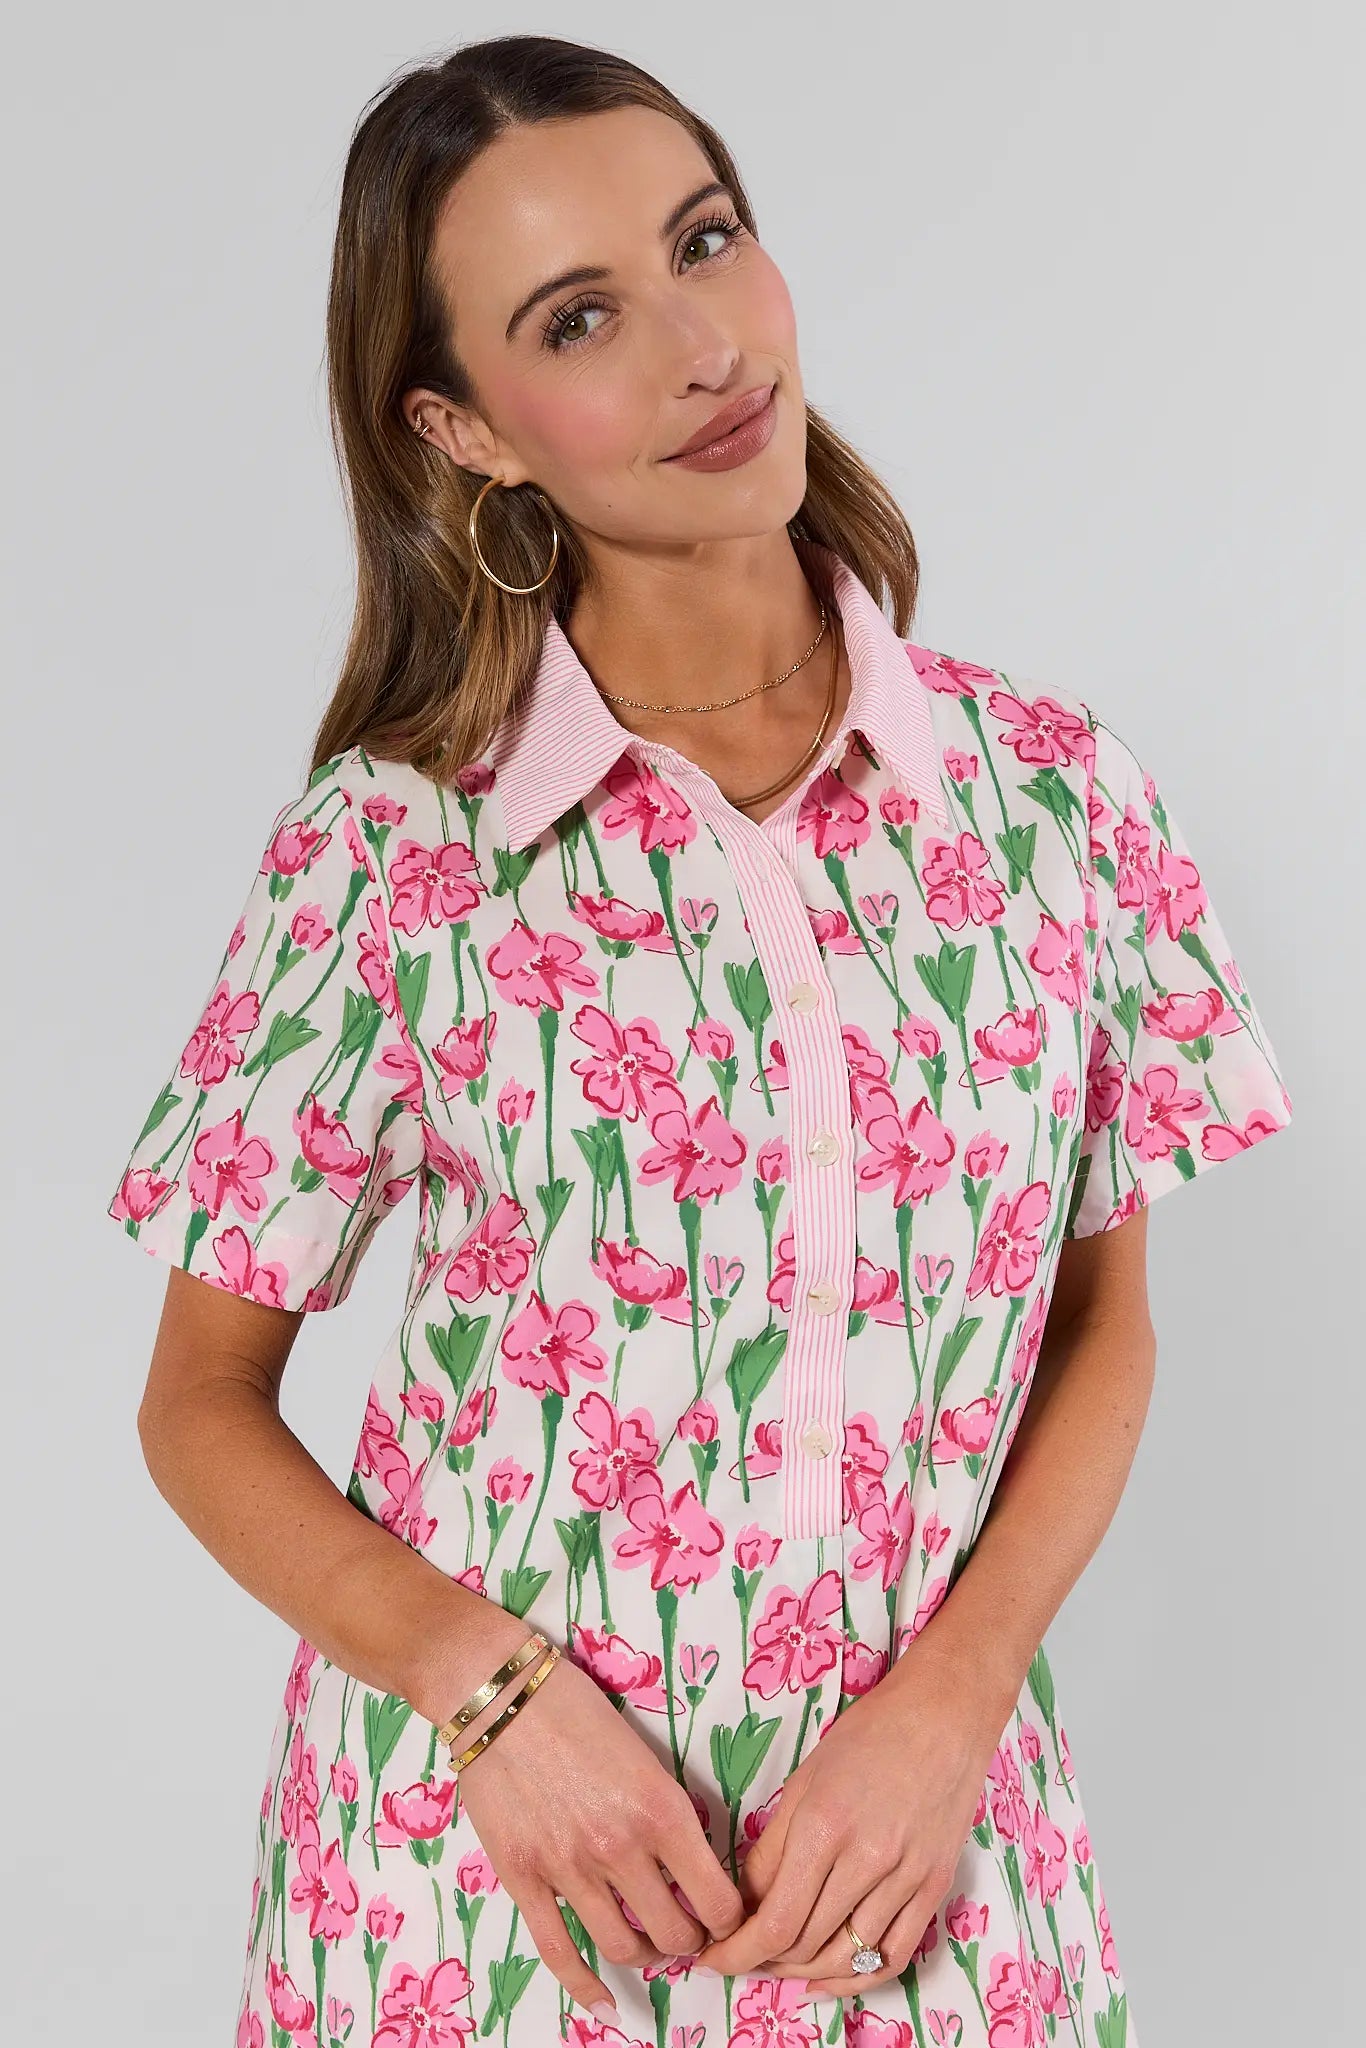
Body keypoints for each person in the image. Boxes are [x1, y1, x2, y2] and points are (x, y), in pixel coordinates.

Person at [105, 33, 1293, 2048]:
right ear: (464, 432)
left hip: (921, 1865)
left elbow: (1102, 1325)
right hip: (501, 1895)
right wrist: (486, 1697)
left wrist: (950, 1705)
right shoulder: (399, 846)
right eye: (580, 316)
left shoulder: (1052, 797)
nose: (702, 346)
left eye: (706, 242)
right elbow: (198, 1404)